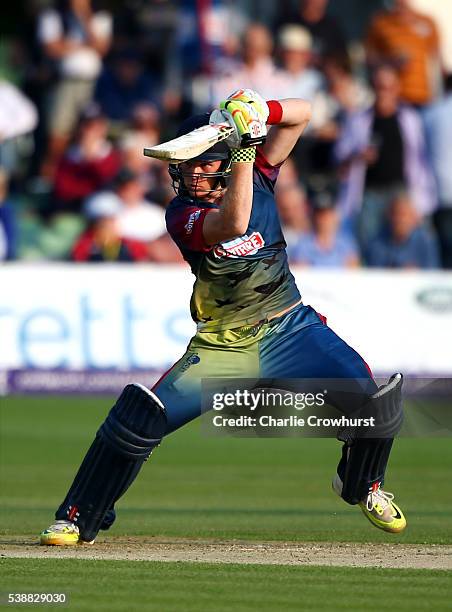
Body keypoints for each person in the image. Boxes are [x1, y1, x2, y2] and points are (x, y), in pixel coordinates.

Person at [40, 89, 406, 547]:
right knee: (140, 419)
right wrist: (246, 154)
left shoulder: (260, 176)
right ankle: (77, 515)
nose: (193, 172)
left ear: (225, 159)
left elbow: (302, 115)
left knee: (375, 404)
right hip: (224, 345)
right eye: (188, 163)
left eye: (204, 162)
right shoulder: (182, 214)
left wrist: (259, 112)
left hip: (291, 327)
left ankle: (362, 485)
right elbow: (234, 224)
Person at [334, 64, 436, 246]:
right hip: (369, 194)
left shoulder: (410, 119)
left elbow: (420, 160)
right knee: (368, 242)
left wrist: (419, 198)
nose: (384, 92)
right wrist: (359, 156)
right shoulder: (358, 120)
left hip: (401, 192)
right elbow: (339, 157)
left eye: (389, 87)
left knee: (408, 242)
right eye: (379, 86)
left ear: (397, 88)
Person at [366, 0, 441, 107]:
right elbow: (370, 58)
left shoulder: (426, 21)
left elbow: (437, 59)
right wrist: (392, 61)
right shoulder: (381, 23)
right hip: (395, 101)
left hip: (425, 99)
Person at [366, 193, 440, 269]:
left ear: (414, 218)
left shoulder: (426, 241)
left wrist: (417, 273)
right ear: (389, 216)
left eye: (404, 215)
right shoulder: (377, 242)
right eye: (396, 214)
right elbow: (374, 272)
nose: (400, 220)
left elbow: (433, 271)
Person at [71, 191, 149, 263]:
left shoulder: (132, 246)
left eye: (111, 220)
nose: (107, 225)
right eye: (103, 221)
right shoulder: (84, 245)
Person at [289, 191, 360, 268]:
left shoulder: (346, 244)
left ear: (335, 216)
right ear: (313, 217)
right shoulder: (303, 245)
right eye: (320, 215)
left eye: (327, 214)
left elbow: (353, 271)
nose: (324, 219)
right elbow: (301, 271)